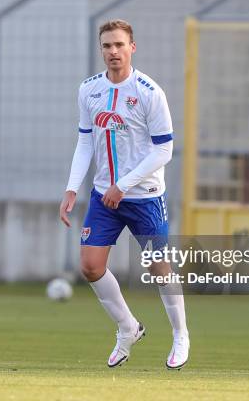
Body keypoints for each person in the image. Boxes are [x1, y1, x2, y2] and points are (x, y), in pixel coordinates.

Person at [59, 19, 189, 369]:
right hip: (105, 197)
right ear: (100, 49)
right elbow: (86, 139)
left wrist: (124, 184)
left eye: (119, 45)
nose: (113, 51)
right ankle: (128, 328)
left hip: (144, 196)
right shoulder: (88, 90)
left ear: (132, 47)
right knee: (90, 266)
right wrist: (73, 187)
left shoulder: (149, 92)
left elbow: (164, 150)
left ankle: (180, 335)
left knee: (159, 267)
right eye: (106, 46)